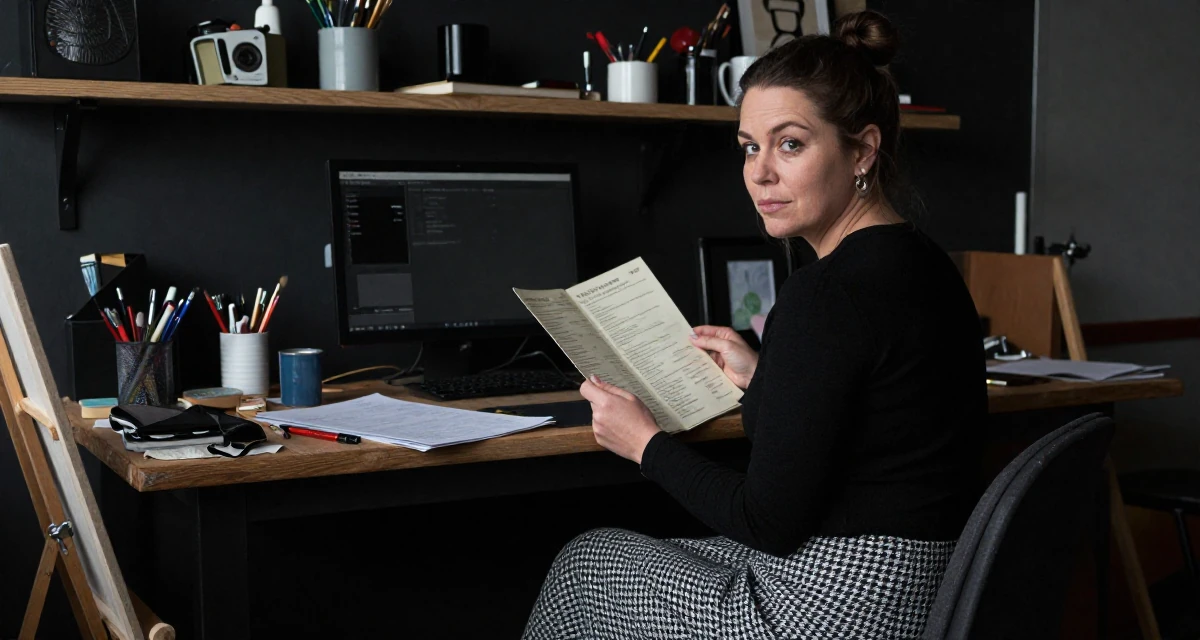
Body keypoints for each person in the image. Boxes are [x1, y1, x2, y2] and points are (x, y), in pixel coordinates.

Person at [524, 10, 985, 639]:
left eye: (790, 143)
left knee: (587, 564)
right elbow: (875, 415)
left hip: (839, 606)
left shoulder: (824, 293)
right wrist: (765, 376)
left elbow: (766, 521)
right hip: (930, 586)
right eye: (749, 146)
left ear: (863, 150)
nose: (759, 171)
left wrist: (644, 444)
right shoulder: (924, 261)